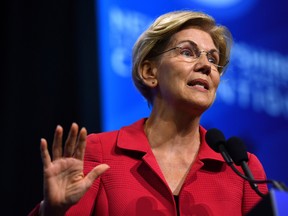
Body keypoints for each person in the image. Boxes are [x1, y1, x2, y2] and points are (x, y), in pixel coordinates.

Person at [29, 10, 268, 216]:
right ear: (149, 71)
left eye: (213, 59)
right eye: (187, 52)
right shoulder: (99, 153)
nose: (206, 66)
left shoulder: (243, 169)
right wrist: (51, 212)